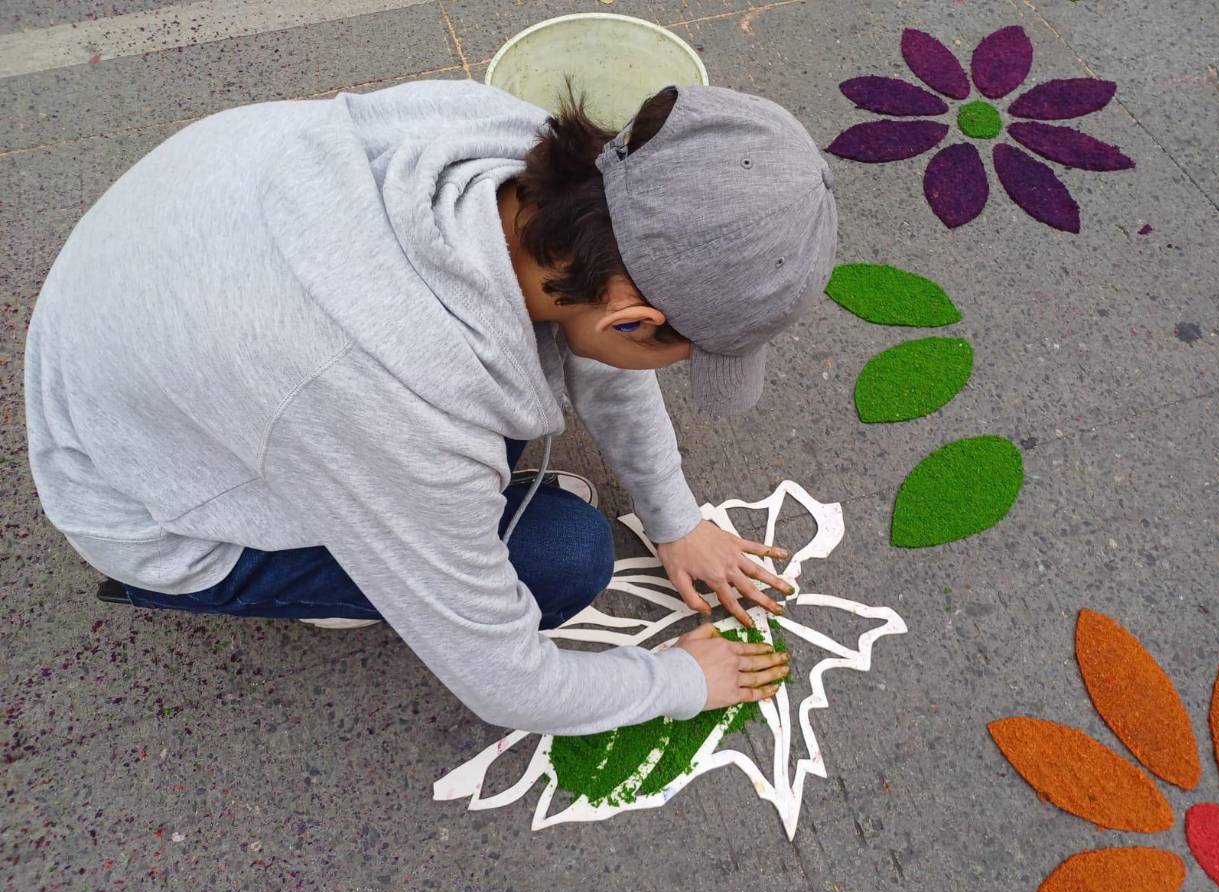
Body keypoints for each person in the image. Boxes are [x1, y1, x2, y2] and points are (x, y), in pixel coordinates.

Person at [24, 79, 837, 736]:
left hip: (147, 321)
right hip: (147, 507)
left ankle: (374, 534)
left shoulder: (509, 147)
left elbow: (610, 340)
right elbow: (507, 683)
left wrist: (674, 517)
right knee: (564, 558)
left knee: (503, 440)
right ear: (634, 318)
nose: (667, 371)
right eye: (682, 354)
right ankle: (294, 582)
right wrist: (678, 681)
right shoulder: (387, 402)